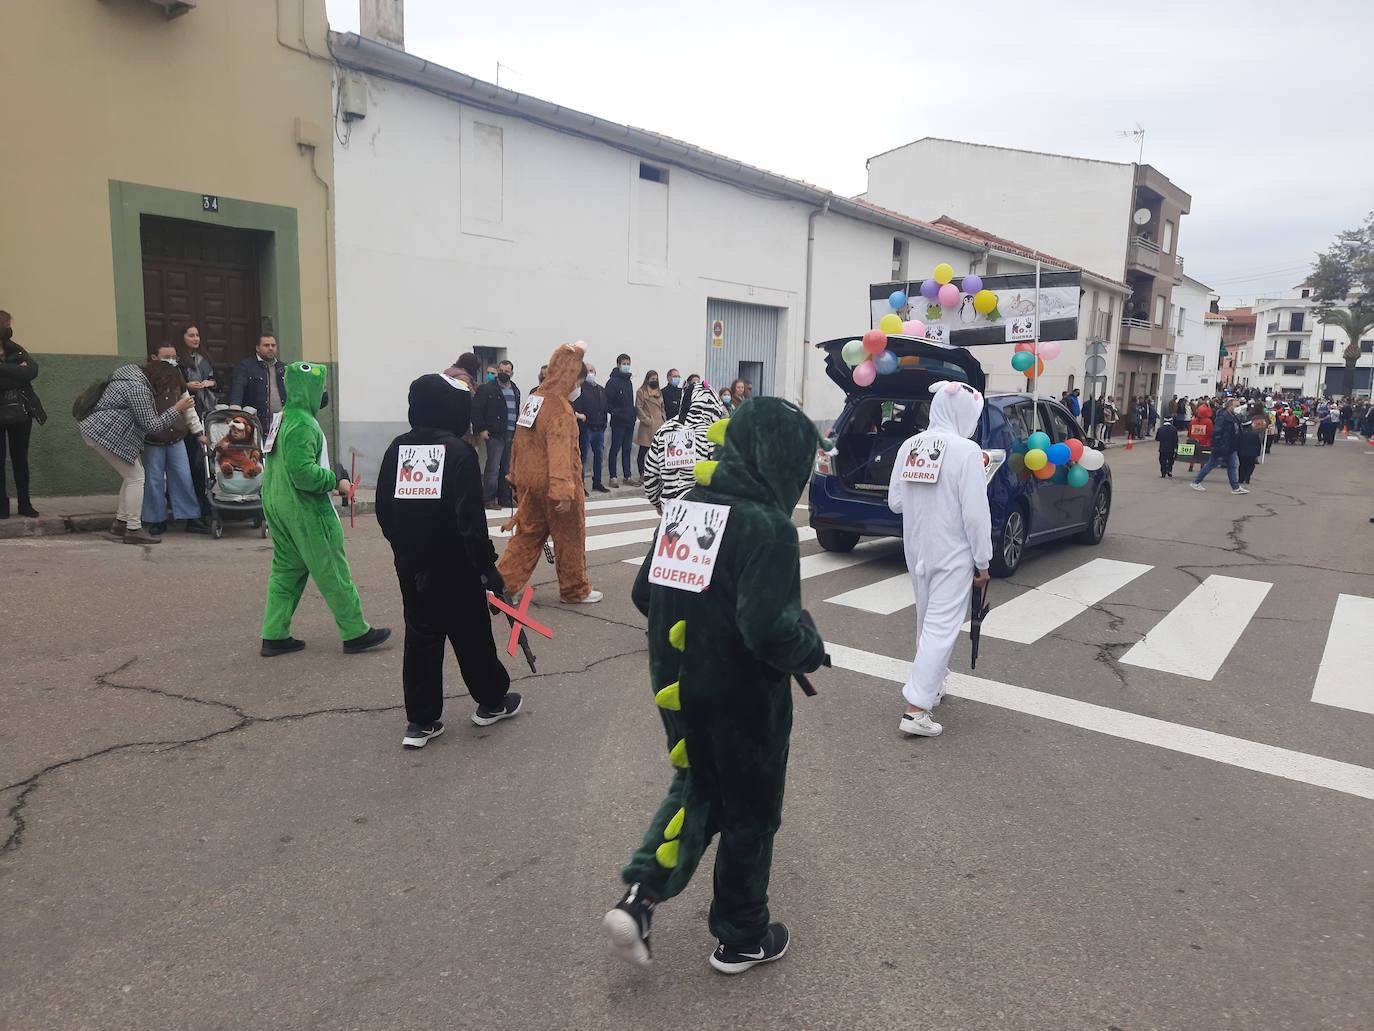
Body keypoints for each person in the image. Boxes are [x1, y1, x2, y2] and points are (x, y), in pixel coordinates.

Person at [602, 396, 828, 975]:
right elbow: (770, 632)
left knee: (699, 785)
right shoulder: (768, 528)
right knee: (751, 813)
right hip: (742, 698)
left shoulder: (688, 507)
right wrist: (811, 647)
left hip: (677, 687)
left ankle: (640, 897)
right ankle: (742, 934)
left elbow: (644, 596)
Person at [374, 374, 522, 749]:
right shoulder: (459, 453)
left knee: (421, 637)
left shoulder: (398, 449)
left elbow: (383, 510)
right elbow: (469, 523)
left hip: (413, 565)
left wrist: (404, 548)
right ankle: (491, 701)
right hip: (456, 567)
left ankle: (420, 722)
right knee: (471, 636)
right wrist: (487, 569)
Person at [258, 360, 390, 657]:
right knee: (332, 568)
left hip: (277, 504)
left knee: (285, 572)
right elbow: (303, 473)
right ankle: (355, 631)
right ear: (310, 388)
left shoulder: (283, 418)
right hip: (305, 509)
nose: (325, 392)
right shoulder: (304, 424)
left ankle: (274, 634)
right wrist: (336, 482)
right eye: (322, 387)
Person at [887, 382, 992, 738]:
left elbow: (895, 502)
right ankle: (916, 709)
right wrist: (983, 562)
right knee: (941, 627)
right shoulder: (967, 451)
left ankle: (933, 683)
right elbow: (976, 515)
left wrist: (925, 499)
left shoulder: (909, 445)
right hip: (952, 552)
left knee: (926, 621)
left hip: (917, 548)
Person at [497, 342, 601, 604]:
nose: (579, 386)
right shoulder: (561, 408)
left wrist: (514, 477)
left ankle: (503, 585)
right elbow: (560, 453)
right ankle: (574, 589)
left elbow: (519, 443)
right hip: (556, 487)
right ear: (570, 377)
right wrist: (563, 491)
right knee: (570, 539)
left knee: (527, 536)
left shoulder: (534, 400)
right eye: (578, 380)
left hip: (530, 484)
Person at [79, 361, 196, 545]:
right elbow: (152, 425)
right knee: (136, 478)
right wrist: (177, 409)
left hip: (102, 432)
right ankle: (133, 529)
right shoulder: (138, 388)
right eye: (167, 385)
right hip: (105, 434)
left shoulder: (130, 374)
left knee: (131, 476)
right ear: (161, 379)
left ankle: (120, 523)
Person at [141, 345, 210, 535]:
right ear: (154, 357)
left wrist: (198, 432)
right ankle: (156, 519)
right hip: (153, 438)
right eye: (166, 356)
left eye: (173, 356)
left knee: (183, 477)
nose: (171, 360)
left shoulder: (177, 377)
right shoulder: (145, 379)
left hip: (176, 436)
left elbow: (188, 408)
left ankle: (190, 517)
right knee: (154, 480)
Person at [641, 381, 729, 512]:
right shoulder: (713, 433)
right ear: (714, 403)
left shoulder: (664, 430)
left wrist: (656, 502)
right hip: (704, 508)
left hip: (671, 507)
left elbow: (651, 472)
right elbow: (723, 476)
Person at [0, 310, 45, 518]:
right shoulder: (16, 355)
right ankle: (2, 507)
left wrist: (3, 368)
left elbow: (31, 372)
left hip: (20, 413)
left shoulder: (15, 348)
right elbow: (21, 375)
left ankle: (24, 504)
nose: (8, 328)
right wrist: (16, 371)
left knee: (20, 459)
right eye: (6, 324)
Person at [177, 324, 216, 518]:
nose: (195, 338)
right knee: (191, 462)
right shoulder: (178, 360)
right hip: (186, 416)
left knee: (204, 463)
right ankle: (193, 507)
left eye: (198, 335)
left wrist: (209, 383)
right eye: (191, 335)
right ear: (182, 337)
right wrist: (187, 385)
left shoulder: (204, 358)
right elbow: (174, 384)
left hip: (205, 412)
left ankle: (206, 503)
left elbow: (216, 380)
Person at [472, 359, 519, 509]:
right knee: (493, 467)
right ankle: (489, 499)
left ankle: (505, 498)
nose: (503, 374)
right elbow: (477, 410)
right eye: (501, 371)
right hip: (495, 433)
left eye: (507, 371)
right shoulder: (487, 389)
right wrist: (481, 429)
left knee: (507, 467)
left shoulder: (515, 389)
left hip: (511, 432)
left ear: (511, 373)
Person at [1190, 397, 1246, 494]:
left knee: (1232, 465)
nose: (1238, 408)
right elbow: (1216, 432)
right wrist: (1218, 444)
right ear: (1230, 406)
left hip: (1230, 446)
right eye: (1236, 406)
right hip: (1222, 446)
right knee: (1212, 464)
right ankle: (1196, 482)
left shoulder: (1234, 416)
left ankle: (1235, 487)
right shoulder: (1223, 416)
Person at [229, 333, 287, 421]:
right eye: (266, 345)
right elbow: (238, 387)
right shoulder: (246, 366)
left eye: (273, 345)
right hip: (256, 422)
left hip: (281, 422)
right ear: (257, 348)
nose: (270, 348)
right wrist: (235, 409)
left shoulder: (283, 368)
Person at [575, 361, 609, 493]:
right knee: (582, 457)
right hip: (586, 429)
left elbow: (605, 408)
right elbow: (578, 409)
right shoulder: (580, 389)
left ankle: (597, 482)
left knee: (599, 456)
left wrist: (604, 424)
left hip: (599, 429)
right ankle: (581, 485)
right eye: (588, 371)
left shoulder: (601, 389)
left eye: (592, 371)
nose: (591, 373)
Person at [605, 353, 637, 487]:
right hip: (618, 422)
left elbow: (630, 401)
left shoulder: (628, 381)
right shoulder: (612, 382)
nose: (626, 366)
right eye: (624, 364)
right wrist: (618, 413)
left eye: (628, 363)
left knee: (627, 449)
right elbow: (607, 404)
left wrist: (632, 415)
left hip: (630, 422)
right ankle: (612, 477)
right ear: (618, 365)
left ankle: (627, 476)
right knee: (615, 448)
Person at [634, 370, 666, 480]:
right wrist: (646, 420)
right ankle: (642, 474)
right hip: (647, 426)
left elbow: (662, 408)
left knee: (658, 452)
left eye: (656, 379)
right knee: (643, 451)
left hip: (660, 425)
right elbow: (638, 407)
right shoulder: (641, 392)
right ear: (647, 379)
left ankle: (656, 474)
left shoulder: (659, 392)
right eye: (653, 379)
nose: (655, 381)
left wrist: (664, 420)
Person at [1237, 414, 1265, 485]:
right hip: (1252, 453)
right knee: (1250, 465)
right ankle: (1247, 477)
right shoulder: (1255, 434)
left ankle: (1241, 478)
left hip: (1241, 453)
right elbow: (1258, 444)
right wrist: (1258, 453)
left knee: (1241, 466)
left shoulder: (1240, 433)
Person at [1186, 402, 1213, 473]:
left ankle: (1191, 465)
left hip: (1193, 440)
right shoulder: (1208, 421)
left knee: (1193, 454)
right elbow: (1210, 433)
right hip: (1204, 441)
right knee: (1203, 455)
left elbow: (1189, 431)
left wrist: (1190, 437)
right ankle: (1202, 467)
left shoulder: (1193, 421)